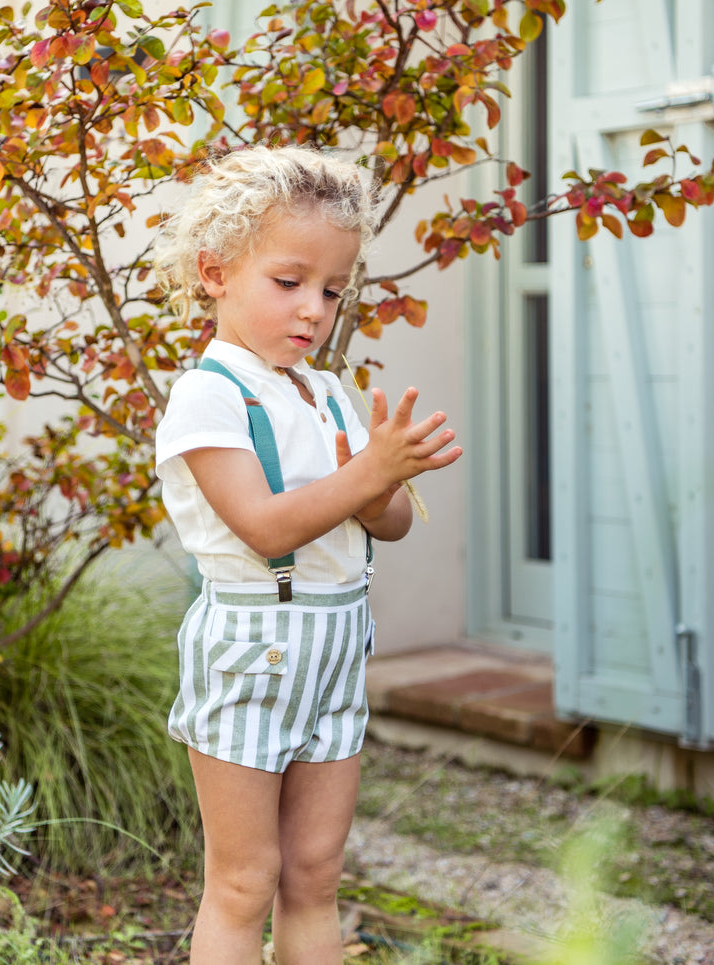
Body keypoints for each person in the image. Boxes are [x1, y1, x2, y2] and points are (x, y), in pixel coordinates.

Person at [152, 144, 463, 965]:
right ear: (215, 272)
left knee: (316, 873)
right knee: (245, 879)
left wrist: (386, 472)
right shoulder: (207, 397)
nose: (312, 310)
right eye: (287, 283)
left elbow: (385, 523)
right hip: (251, 651)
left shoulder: (325, 394)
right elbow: (264, 526)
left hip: (333, 650)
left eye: (330, 290)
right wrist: (365, 468)